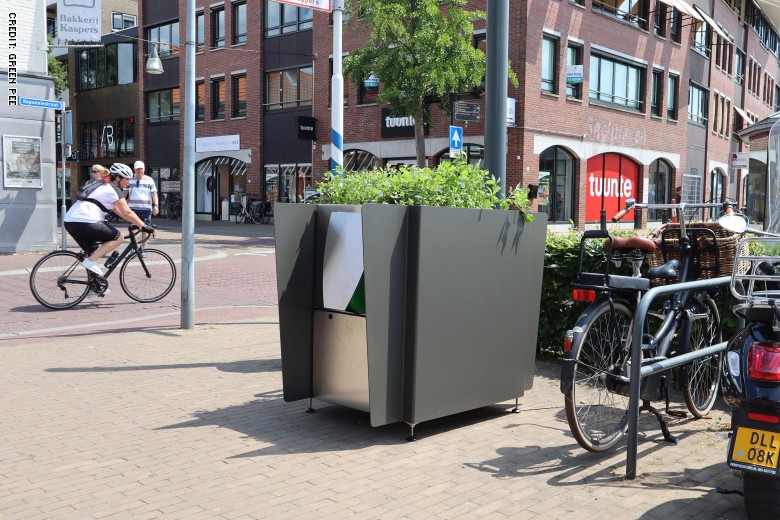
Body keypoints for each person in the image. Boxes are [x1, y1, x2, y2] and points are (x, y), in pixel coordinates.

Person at [64, 163, 155, 285]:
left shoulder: (102, 185)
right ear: (118, 178)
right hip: (85, 221)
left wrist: (137, 223)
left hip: (70, 221)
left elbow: (120, 212)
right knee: (118, 237)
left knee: (93, 252)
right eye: (127, 179)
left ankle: (95, 286)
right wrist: (144, 226)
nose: (128, 182)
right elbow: (127, 211)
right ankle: (90, 261)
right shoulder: (113, 189)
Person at [124, 160, 159, 243]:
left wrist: (156, 205)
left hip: (146, 208)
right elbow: (124, 193)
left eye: (141, 169)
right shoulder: (129, 179)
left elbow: (154, 194)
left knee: (145, 229)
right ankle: (133, 247)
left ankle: (143, 249)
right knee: (132, 228)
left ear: (144, 169)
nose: (140, 171)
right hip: (132, 209)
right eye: (137, 169)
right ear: (134, 170)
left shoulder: (149, 180)